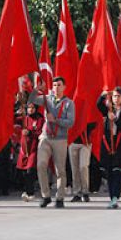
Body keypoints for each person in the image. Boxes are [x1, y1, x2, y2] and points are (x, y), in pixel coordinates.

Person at [29, 77, 75, 208]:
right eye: (54, 85)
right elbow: (31, 100)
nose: (56, 87)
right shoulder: (47, 99)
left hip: (60, 139)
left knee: (60, 170)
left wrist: (55, 120)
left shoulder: (69, 103)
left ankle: (60, 197)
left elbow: (70, 122)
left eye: (59, 85)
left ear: (64, 87)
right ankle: (46, 195)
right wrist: (37, 89)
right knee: (41, 165)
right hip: (46, 137)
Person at [97, 88, 121, 209]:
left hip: (120, 146)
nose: (116, 99)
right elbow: (98, 105)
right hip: (108, 145)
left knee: (117, 172)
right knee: (110, 173)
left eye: (119, 96)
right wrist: (103, 95)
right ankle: (112, 196)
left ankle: (115, 197)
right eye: (114, 96)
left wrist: (115, 120)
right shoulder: (108, 110)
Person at [16, 102, 44, 202]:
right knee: (23, 171)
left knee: (30, 170)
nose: (30, 110)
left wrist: (30, 132)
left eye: (32, 108)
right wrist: (17, 113)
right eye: (29, 108)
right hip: (24, 149)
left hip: (33, 148)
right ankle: (25, 189)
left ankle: (30, 192)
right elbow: (13, 120)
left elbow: (40, 132)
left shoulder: (39, 119)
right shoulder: (24, 118)